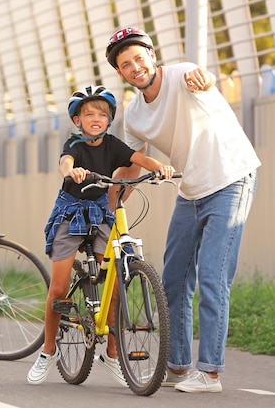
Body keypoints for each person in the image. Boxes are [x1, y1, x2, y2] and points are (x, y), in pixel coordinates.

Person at [105, 26, 261, 393]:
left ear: (152, 55)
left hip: (230, 179)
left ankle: (209, 373)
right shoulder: (134, 115)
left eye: (139, 58)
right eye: (126, 64)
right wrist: (107, 203)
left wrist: (203, 77)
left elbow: (204, 79)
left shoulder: (183, 75)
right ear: (120, 73)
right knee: (173, 280)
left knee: (212, 276)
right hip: (190, 190)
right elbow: (130, 165)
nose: (135, 67)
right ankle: (176, 365)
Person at [26, 85, 175, 385]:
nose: (96, 118)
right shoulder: (75, 145)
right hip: (70, 213)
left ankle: (111, 353)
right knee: (58, 287)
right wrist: (71, 172)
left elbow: (137, 159)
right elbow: (64, 162)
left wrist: (160, 167)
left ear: (109, 119)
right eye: (88, 114)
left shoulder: (113, 144)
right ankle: (49, 349)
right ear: (77, 120)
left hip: (100, 212)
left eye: (102, 114)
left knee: (116, 280)